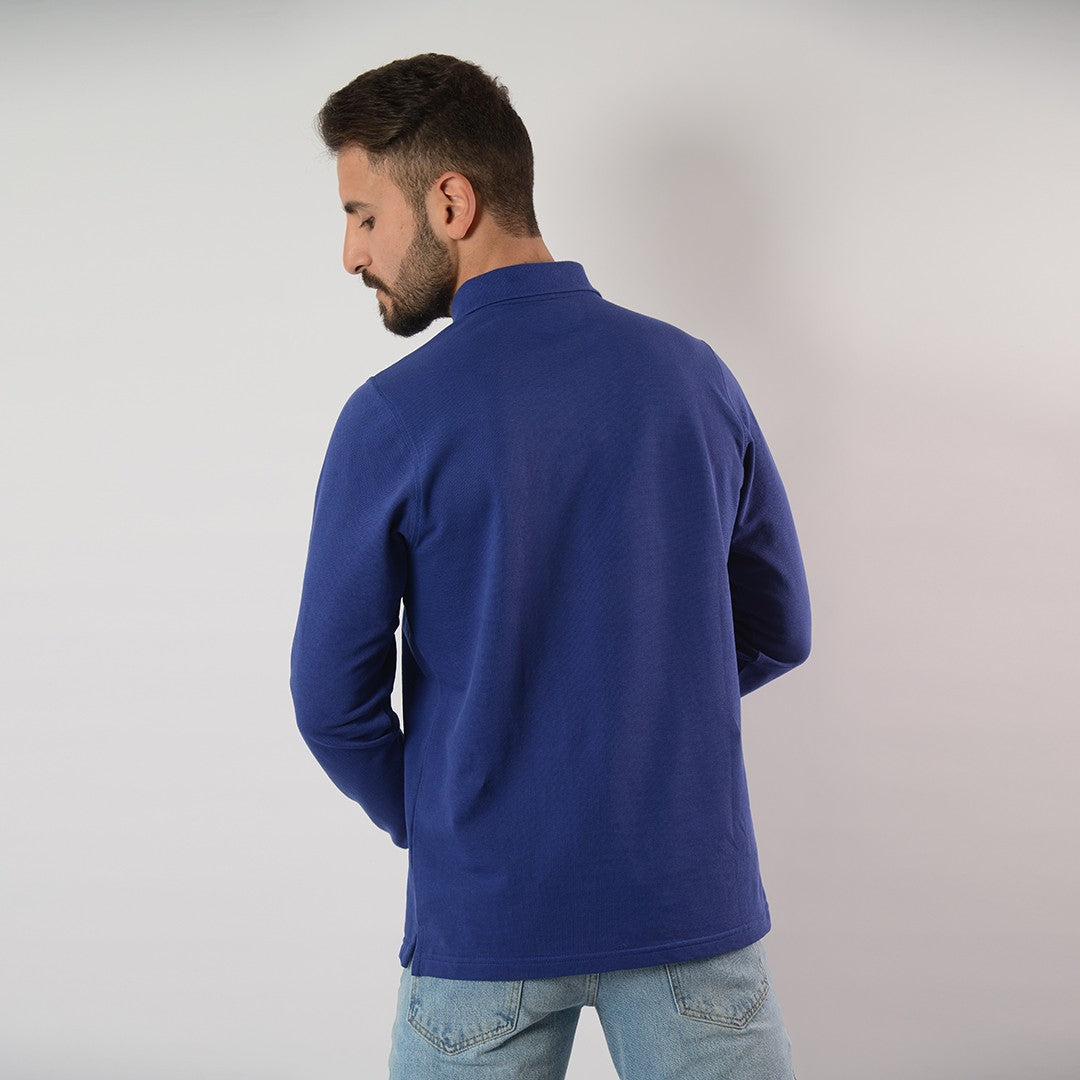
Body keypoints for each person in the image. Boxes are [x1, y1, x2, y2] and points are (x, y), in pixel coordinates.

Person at [289, 52, 811, 1080]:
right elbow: (777, 628)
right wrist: (649, 715)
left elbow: (329, 704)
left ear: (450, 202)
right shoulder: (694, 379)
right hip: (687, 901)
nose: (351, 254)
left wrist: (448, 815)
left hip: (488, 918)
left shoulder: (392, 418)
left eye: (363, 215)